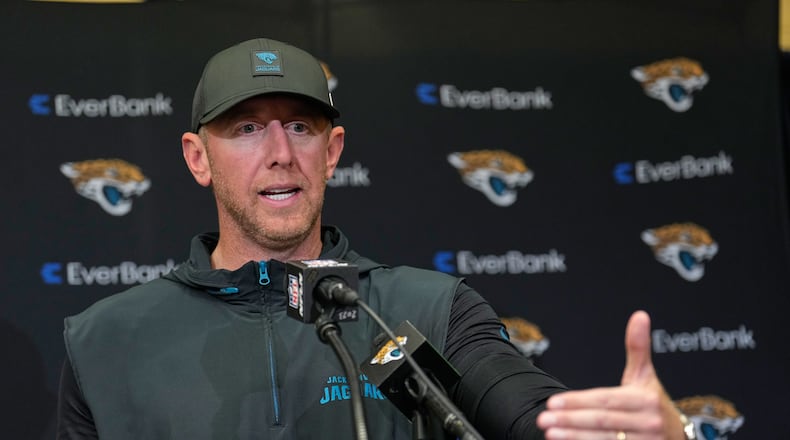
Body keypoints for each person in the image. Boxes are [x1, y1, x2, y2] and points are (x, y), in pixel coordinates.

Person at [56, 38, 692, 440]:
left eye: (300, 127)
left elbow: (523, 407)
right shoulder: (106, 339)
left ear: (331, 152)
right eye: (247, 129)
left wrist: (628, 436)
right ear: (198, 159)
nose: (280, 154)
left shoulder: (427, 310)